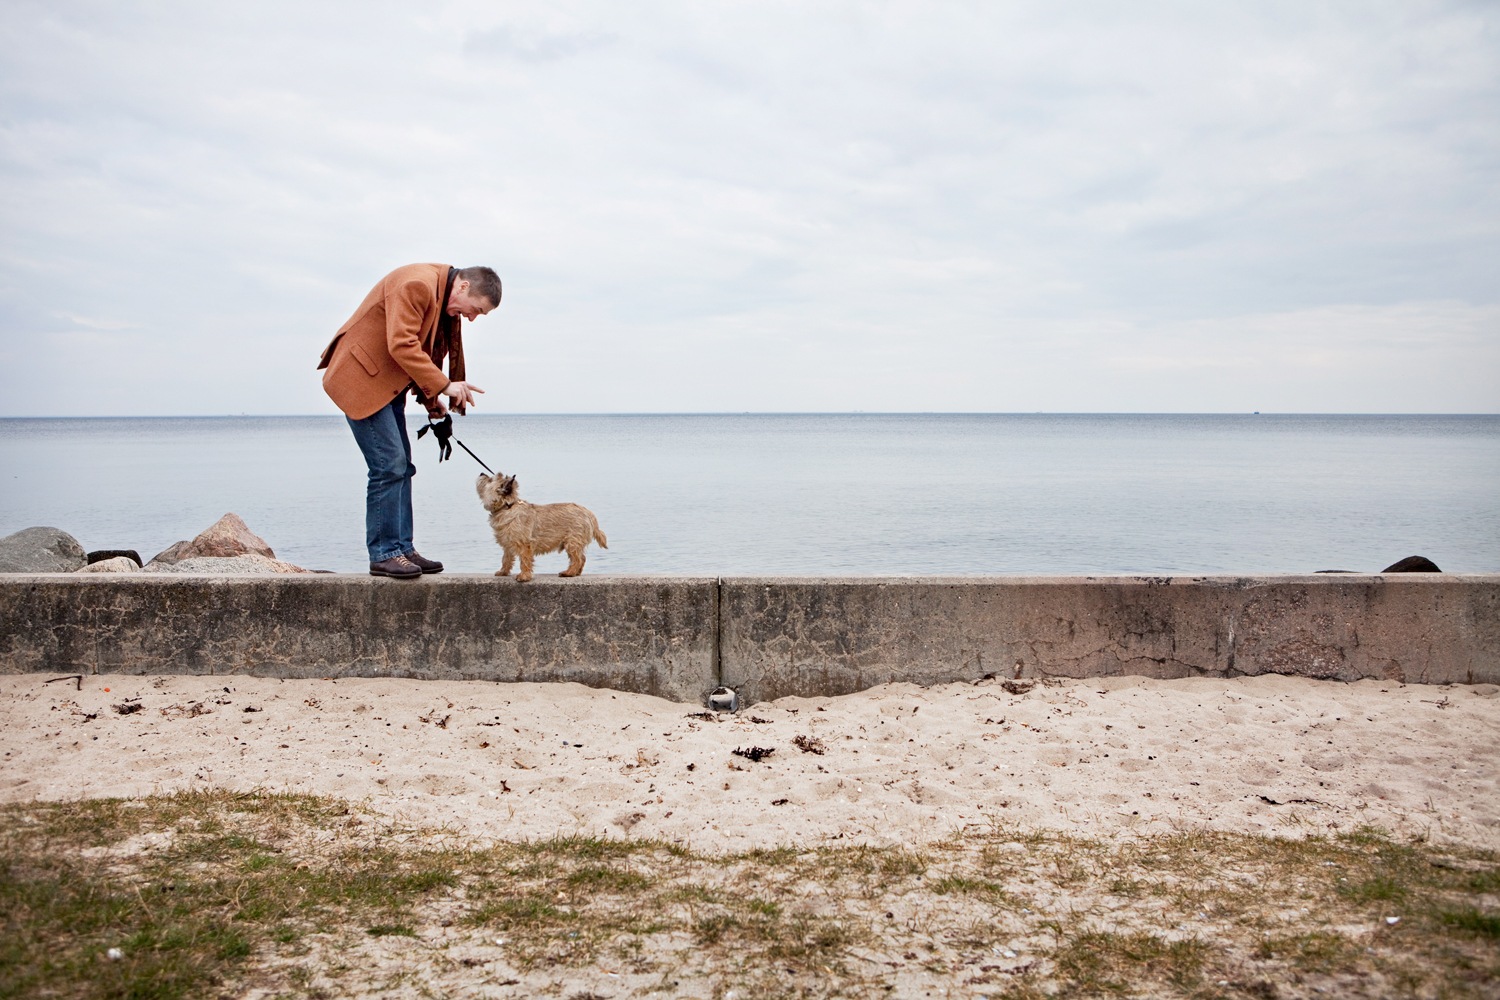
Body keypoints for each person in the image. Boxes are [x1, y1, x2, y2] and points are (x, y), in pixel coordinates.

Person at [318, 263, 500, 578]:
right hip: (360, 379)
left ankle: (402, 548)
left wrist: (434, 404)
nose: (471, 318)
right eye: (476, 310)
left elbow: (425, 354)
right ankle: (384, 554)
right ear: (463, 287)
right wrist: (445, 384)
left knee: (403, 466)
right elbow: (402, 344)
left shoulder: (441, 296)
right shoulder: (417, 285)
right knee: (388, 465)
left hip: (385, 383)